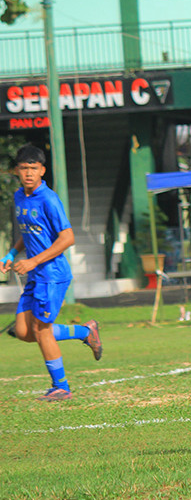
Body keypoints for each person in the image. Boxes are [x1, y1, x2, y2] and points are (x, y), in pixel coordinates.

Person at [0, 145, 102, 402]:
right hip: (35, 274)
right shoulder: (19, 197)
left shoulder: (49, 199)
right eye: (24, 169)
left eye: (34, 169)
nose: (29, 174)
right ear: (17, 171)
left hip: (53, 274)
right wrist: (12, 254)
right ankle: (85, 332)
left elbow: (67, 238)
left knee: (42, 329)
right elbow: (28, 231)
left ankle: (62, 387)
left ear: (42, 170)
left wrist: (33, 261)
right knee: (24, 332)